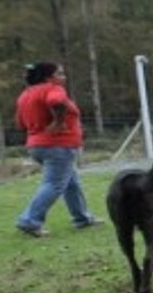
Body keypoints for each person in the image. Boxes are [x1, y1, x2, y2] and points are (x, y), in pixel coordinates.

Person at [15, 61, 102, 238]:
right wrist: (59, 122)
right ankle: (29, 221)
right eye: (60, 74)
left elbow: (20, 123)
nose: (64, 77)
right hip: (58, 145)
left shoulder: (26, 94)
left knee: (71, 182)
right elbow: (56, 102)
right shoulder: (53, 88)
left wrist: (38, 129)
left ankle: (82, 218)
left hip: (36, 145)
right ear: (49, 77)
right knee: (53, 184)